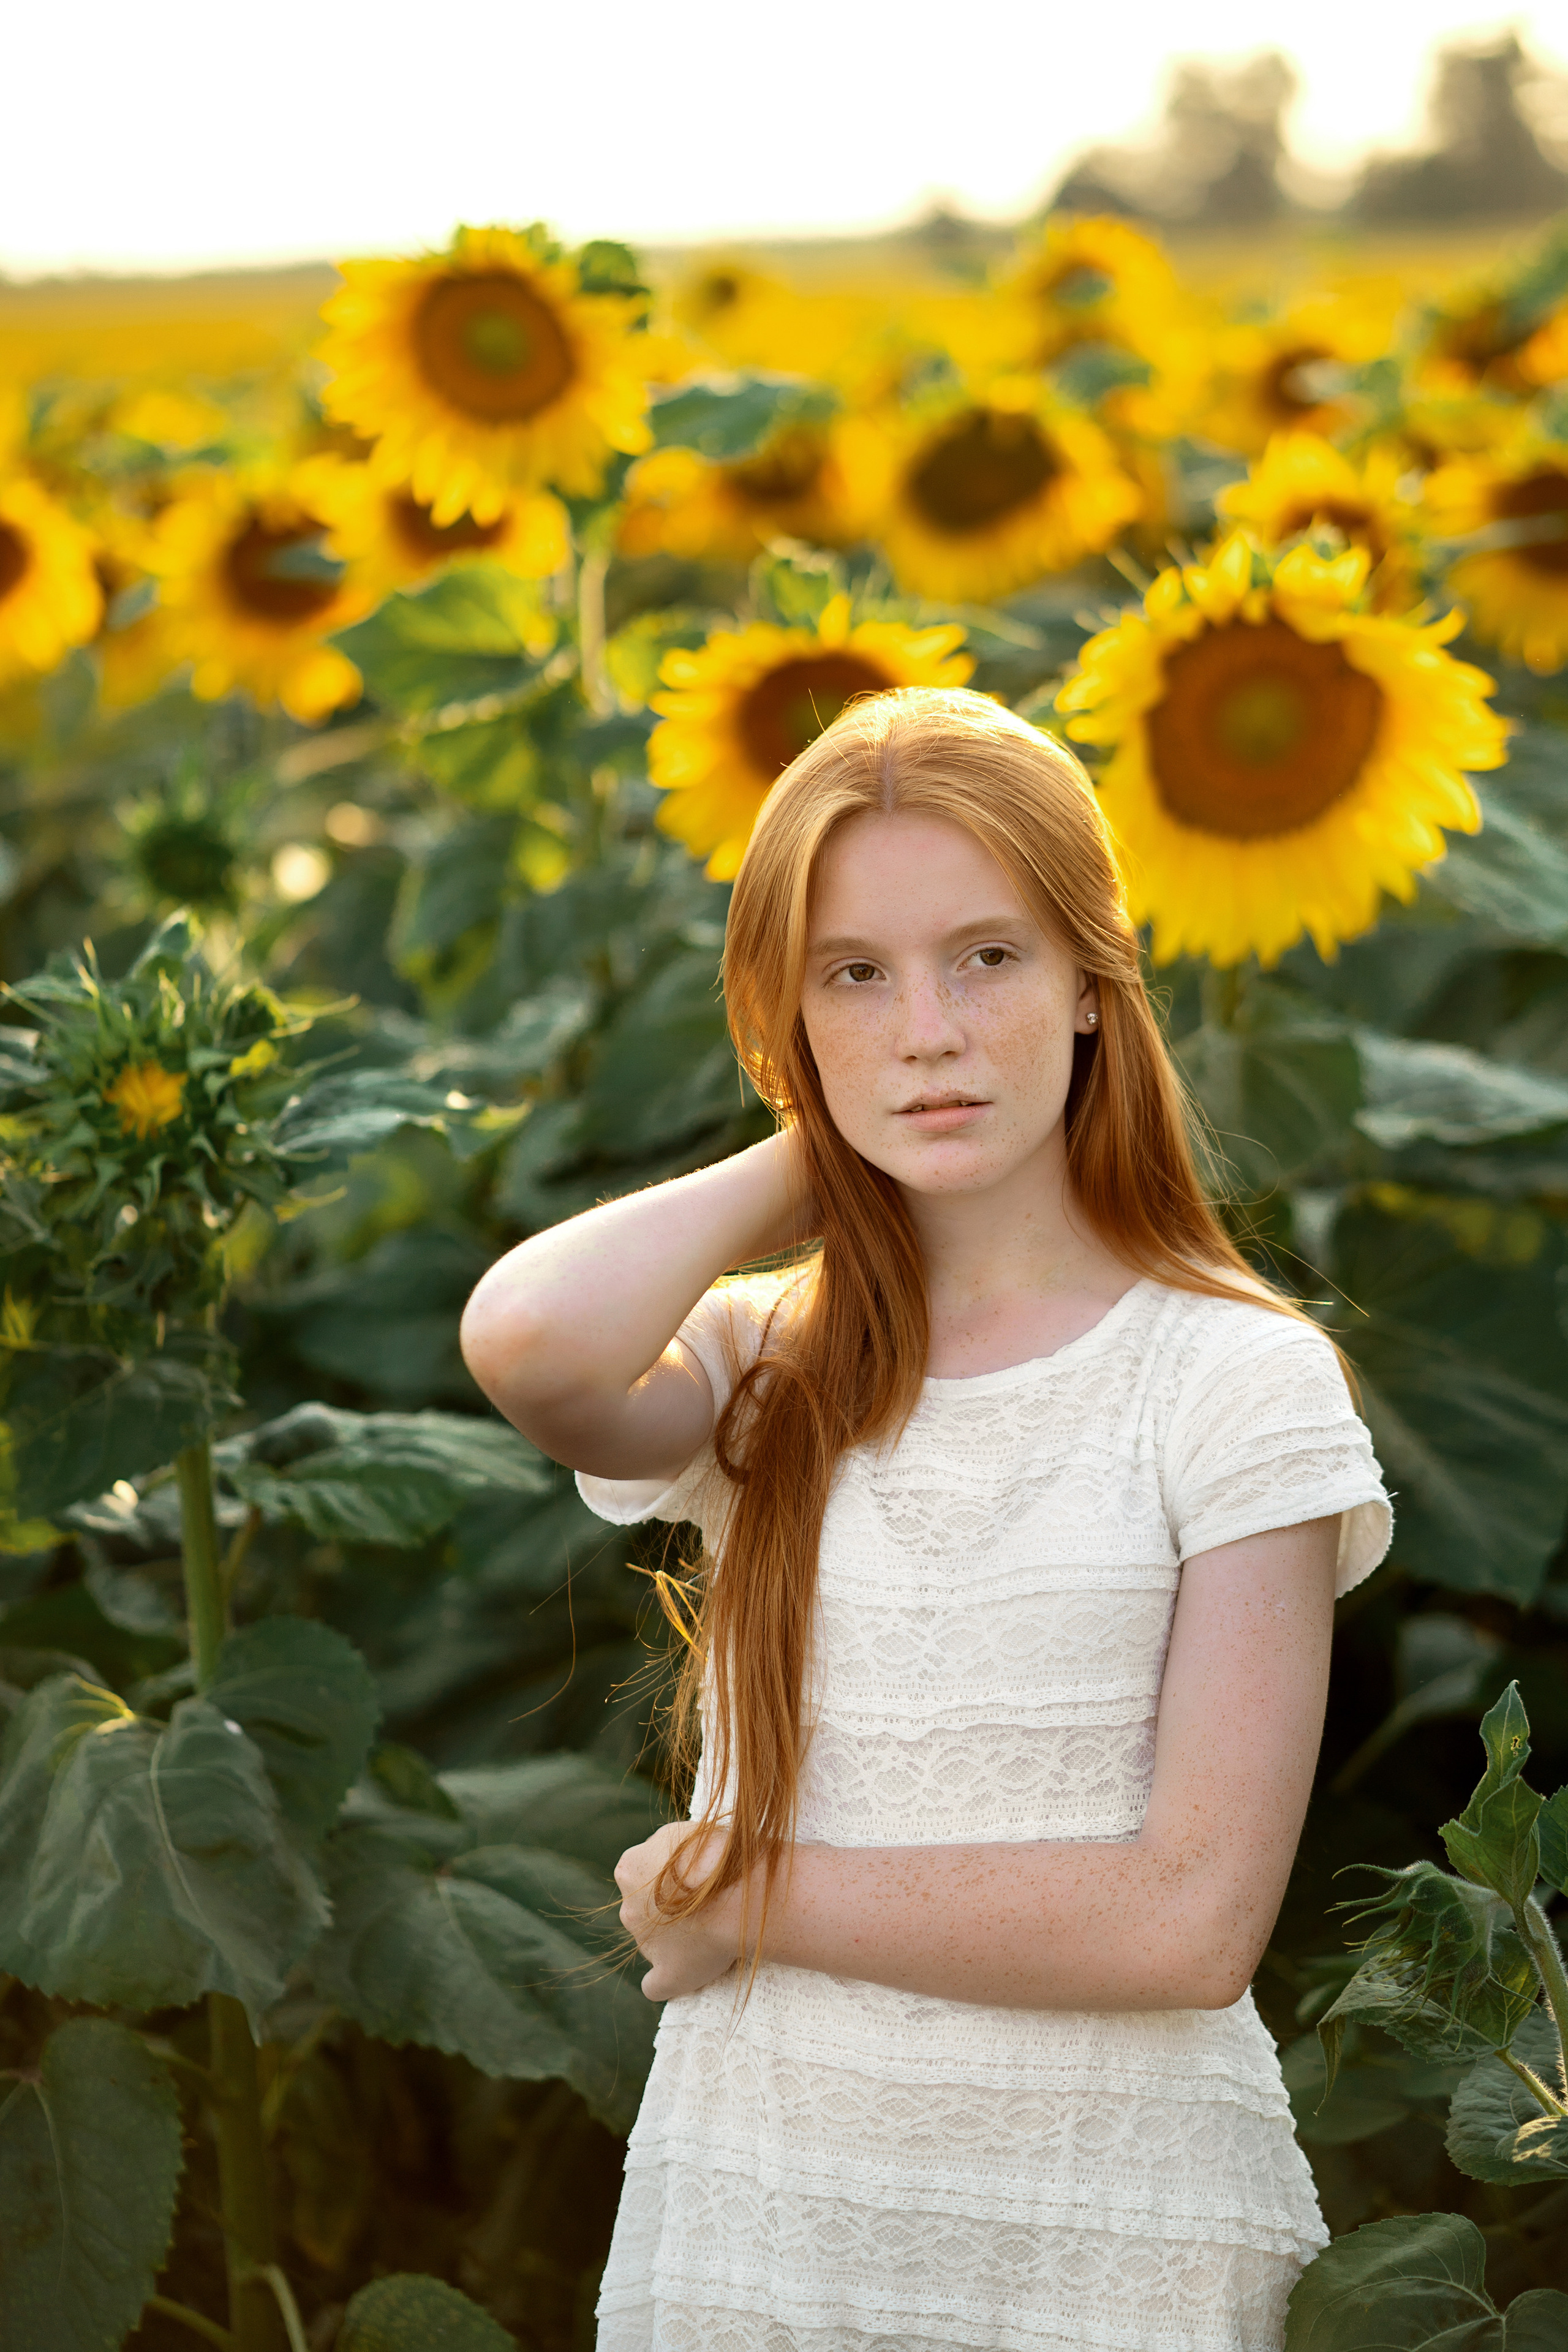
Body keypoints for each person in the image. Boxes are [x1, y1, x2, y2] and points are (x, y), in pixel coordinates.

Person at [460, 685, 1391, 2352]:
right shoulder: (767, 1359)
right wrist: (814, 1152)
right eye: (854, 977)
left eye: (989, 957)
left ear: (1095, 986)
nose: (931, 1032)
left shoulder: (1236, 1382)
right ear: (788, 1019)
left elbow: (1188, 1922)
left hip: (1114, 2227)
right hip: (768, 2206)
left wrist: (747, 1896)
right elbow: (530, 1343)